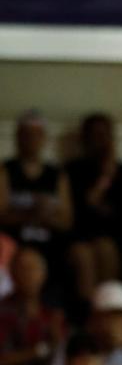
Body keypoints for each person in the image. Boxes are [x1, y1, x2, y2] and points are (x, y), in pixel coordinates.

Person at [65, 111, 122, 298]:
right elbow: (77, 212)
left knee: (105, 248)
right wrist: (104, 180)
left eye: (105, 135)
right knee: (86, 254)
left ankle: (108, 306)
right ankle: (91, 312)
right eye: (94, 135)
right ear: (85, 139)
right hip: (82, 238)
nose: (101, 141)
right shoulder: (73, 172)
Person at [0, 110, 72, 264]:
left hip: (51, 244)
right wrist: (30, 213)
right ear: (18, 137)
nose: (31, 140)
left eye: (36, 135)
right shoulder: (5, 171)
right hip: (14, 242)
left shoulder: (57, 175)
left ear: (43, 138)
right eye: (26, 135)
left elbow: (67, 220)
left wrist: (46, 216)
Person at [0, 247, 64, 365]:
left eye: (34, 269)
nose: (29, 275)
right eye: (23, 269)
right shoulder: (3, 311)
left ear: (44, 274)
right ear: (12, 273)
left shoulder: (53, 313)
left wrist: (58, 343)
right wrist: (40, 350)